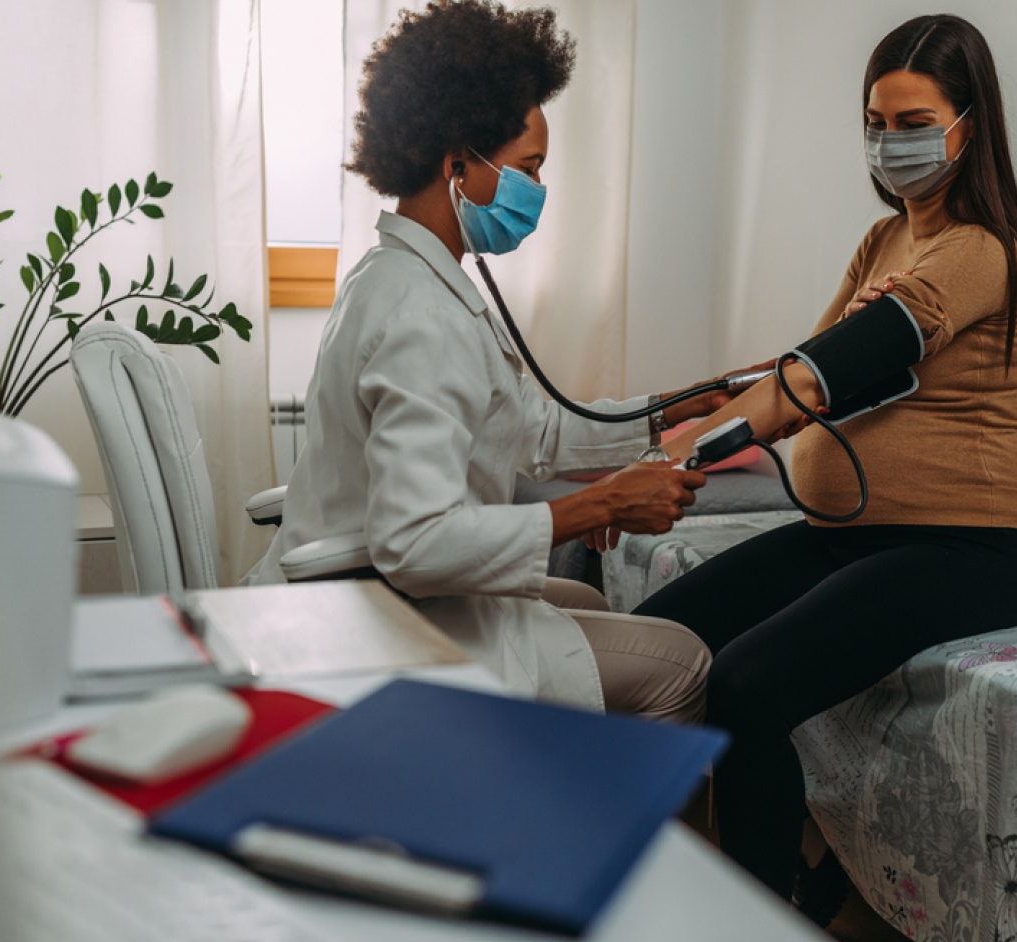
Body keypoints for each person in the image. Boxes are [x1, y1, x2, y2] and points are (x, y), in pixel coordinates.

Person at [634, 14, 1017, 917]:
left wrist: (679, 451)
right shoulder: (883, 241)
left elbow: (816, 380)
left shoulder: (984, 251)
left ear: (968, 127)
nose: (890, 142)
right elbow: (797, 367)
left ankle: (757, 922)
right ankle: (796, 860)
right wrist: (675, 416)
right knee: (661, 638)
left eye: (914, 123)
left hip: (970, 551)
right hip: (847, 538)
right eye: (878, 120)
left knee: (747, 683)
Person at [248, 0, 760, 722]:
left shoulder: (401, 277)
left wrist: (680, 404)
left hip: (376, 592)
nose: (538, 192)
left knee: (581, 599)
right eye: (529, 168)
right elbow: (416, 541)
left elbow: (541, 434)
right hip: (382, 618)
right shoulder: (419, 318)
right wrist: (602, 505)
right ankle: (581, 832)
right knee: (682, 664)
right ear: (458, 164)